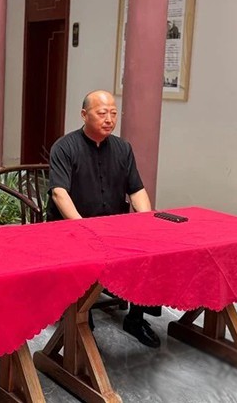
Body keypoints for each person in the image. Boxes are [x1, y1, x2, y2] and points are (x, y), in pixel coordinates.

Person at [46, 90, 162, 349]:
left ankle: (136, 319)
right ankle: (82, 324)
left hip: (113, 227)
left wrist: (147, 222)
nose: (109, 119)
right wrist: (83, 227)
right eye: (102, 113)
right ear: (84, 115)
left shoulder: (123, 148)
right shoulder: (64, 147)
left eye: (113, 113)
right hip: (72, 228)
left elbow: (136, 190)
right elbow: (59, 193)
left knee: (148, 253)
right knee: (81, 259)